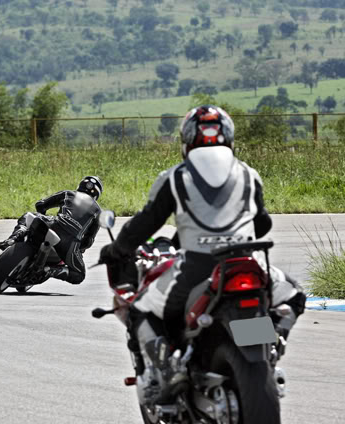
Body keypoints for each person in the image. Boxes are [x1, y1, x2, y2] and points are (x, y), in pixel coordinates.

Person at [99, 105, 305, 404]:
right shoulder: (249, 174)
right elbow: (262, 224)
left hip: (196, 269)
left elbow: (145, 224)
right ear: (230, 138)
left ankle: (171, 367)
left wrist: (117, 250)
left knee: (139, 307)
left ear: (187, 141)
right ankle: (272, 343)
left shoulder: (175, 177)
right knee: (294, 293)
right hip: (249, 263)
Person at [0, 176, 103, 284]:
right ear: (97, 194)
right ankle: (50, 271)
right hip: (70, 243)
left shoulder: (68, 193)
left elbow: (41, 204)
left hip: (53, 224)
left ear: (80, 185)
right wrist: (80, 249)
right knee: (79, 275)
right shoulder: (98, 212)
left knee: (28, 215)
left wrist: (41, 218)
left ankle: (14, 238)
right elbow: (88, 241)